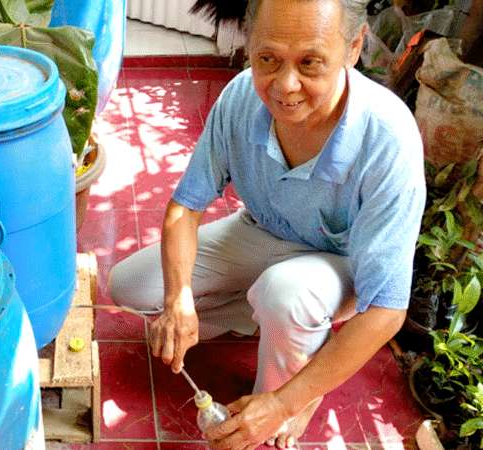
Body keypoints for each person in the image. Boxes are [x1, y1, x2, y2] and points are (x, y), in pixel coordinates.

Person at [107, 0, 426, 448]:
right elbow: (185, 207)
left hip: (339, 265)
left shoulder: (388, 138)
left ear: (353, 47)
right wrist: (179, 299)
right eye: (267, 59)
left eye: (310, 62)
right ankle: (274, 324)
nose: (285, 85)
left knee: (286, 296)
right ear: (250, 47)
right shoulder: (240, 97)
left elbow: (387, 311)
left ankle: (289, 390)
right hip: (261, 232)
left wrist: (283, 402)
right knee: (132, 285)